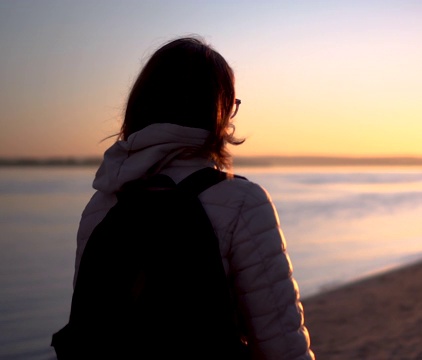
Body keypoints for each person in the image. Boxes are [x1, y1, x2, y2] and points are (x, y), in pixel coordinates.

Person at [73, 36, 314, 359]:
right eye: (231, 105)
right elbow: (280, 344)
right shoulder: (242, 201)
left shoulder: (102, 202)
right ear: (218, 110)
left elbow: (88, 324)